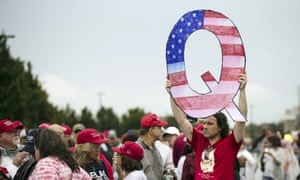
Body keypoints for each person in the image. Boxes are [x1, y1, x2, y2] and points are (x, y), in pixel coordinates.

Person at [166, 73, 248, 179]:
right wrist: (172, 95)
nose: (204, 126)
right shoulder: (199, 140)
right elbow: (181, 120)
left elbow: (241, 120)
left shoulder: (231, 143)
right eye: (203, 122)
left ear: (221, 127)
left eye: (209, 123)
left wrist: (242, 90)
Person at [136, 113, 168, 179]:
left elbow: (161, 172)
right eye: (159, 127)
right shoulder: (136, 149)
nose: (161, 130)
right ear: (151, 130)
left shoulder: (155, 148)